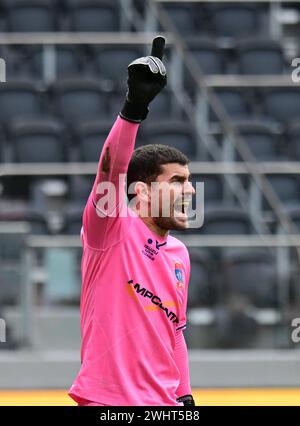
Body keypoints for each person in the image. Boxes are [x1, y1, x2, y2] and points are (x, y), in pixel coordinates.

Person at [69, 36, 195, 406]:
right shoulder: (109, 229)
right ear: (140, 191)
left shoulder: (179, 254)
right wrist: (133, 108)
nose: (190, 191)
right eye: (177, 182)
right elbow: (112, 169)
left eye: (189, 181)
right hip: (110, 403)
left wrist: (185, 396)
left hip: (165, 404)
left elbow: (175, 331)